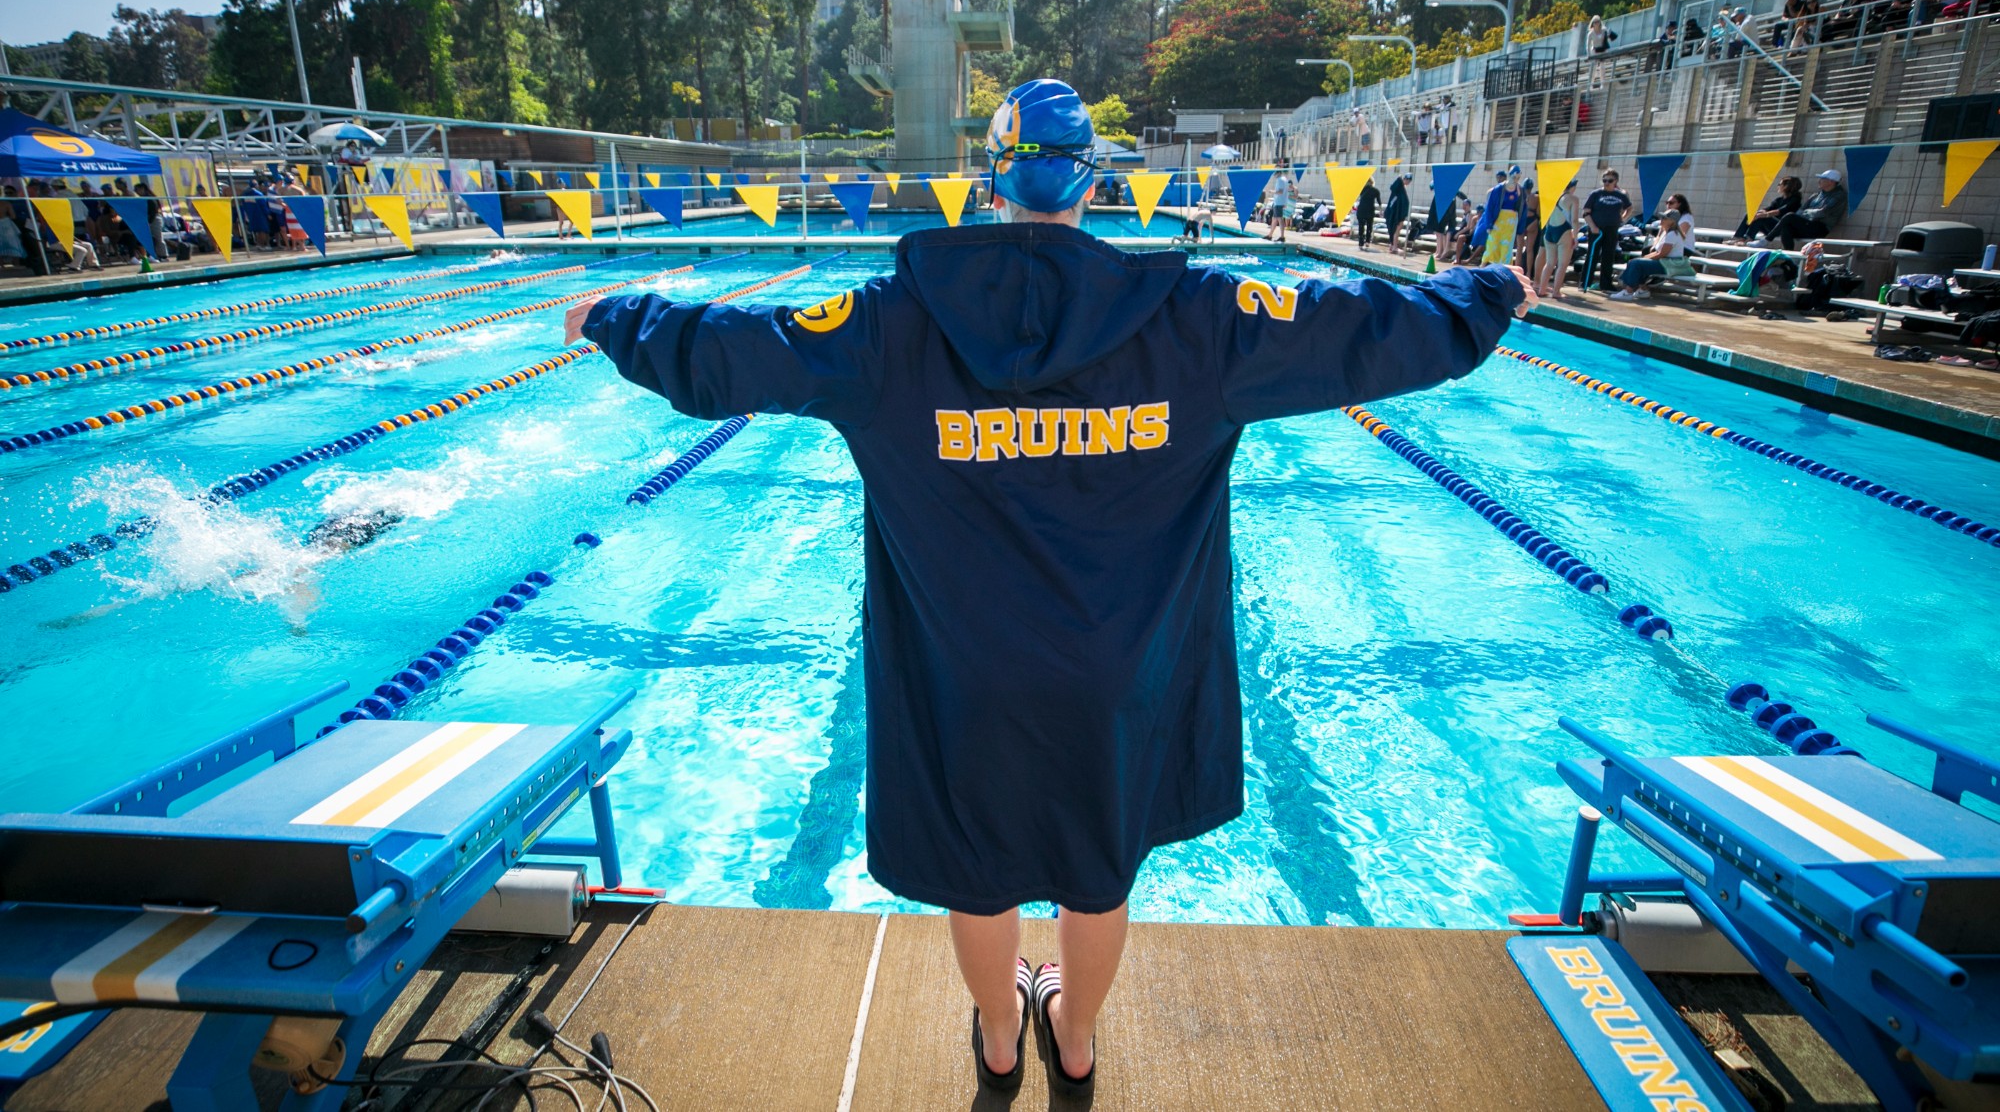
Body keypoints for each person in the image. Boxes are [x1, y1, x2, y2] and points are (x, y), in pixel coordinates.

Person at [565, 78, 1533, 1099]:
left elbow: (731, 354)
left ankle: (995, 1030)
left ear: (989, 182)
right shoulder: (1198, 319)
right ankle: (1071, 1034)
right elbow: (1363, 329)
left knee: (975, 872)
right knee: (1095, 866)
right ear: (1090, 183)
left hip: (959, 677)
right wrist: (1487, 293)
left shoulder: (886, 325)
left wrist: (614, 314)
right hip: (1121, 673)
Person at [1609, 194, 1696, 300]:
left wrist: (1644, 258)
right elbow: (1659, 250)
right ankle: (1642, 290)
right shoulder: (1667, 232)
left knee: (1637, 263)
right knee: (1636, 262)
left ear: (1672, 221)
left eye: (1664, 218)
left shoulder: (1673, 234)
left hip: (1669, 264)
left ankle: (1628, 291)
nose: (1662, 220)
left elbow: (1662, 254)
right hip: (1665, 262)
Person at [1581, 169, 1633, 294]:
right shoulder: (1596, 194)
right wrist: (1592, 226)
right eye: (1604, 180)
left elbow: (1629, 207)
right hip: (1596, 228)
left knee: (1608, 256)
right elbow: (1586, 212)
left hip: (1612, 228)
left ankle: (1606, 283)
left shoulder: (1620, 195)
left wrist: (1623, 218)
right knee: (1592, 255)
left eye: (1610, 181)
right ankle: (1585, 282)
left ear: (1615, 181)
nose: (1607, 183)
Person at [1773, 169, 1847, 250]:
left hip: (1820, 228)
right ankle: (1788, 257)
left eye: (1822, 179)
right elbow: (1800, 211)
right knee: (1786, 227)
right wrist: (1808, 213)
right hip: (1808, 224)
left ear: (1831, 182)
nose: (1819, 181)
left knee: (1790, 216)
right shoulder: (1816, 195)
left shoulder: (1839, 196)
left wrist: (1806, 212)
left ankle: (1767, 239)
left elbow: (1822, 213)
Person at [1536, 176, 1580, 299]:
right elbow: (1575, 220)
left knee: (1549, 263)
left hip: (1549, 231)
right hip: (1563, 232)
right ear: (1572, 187)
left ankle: (1542, 289)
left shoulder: (1554, 197)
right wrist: (1575, 237)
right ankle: (1556, 292)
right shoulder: (1573, 199)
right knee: (1562, 264)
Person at [1473, 167, 1523, 266]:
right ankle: (1483, 266)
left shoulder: (1519, 190)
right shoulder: (1499, 189)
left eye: (1518, 177)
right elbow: (1490, 207)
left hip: (1511, 222)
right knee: (1492, 244)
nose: (1516, 179)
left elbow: (1522, 208)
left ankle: (1503, 269)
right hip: (1498, 219)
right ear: (1510, 175)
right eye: (1514, 177)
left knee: (1506, 247)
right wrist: (1488, 224)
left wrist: (1520, 227)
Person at [1740, 176, 1804, 241]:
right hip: (1771, 228)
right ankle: (1739, 237)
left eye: (1779, 184)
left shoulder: (1795, 200)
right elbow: (1769, 208)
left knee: (1762, 218)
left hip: (1782, 229)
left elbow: (1779, 211)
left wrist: (1763, 215)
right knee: (1750, 215)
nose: (1778, 186)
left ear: (1786, 186)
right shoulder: (1779, 200)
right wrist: (1757, 213)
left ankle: (1749, 239)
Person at [1383, 170, 1412, 254]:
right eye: (1408, 181)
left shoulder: (1398, 190)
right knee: (1396, 230)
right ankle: (1394, 246)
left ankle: (1392, 245)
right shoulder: (1400, 190)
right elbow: (1398, 204)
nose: (1408, 183)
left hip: (1394, 214)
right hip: (1397, 215)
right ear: (1406, 179)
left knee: (1393, 230)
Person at [1353, 173, 1382, 249]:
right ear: (1372, 182)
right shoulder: (1375, 191)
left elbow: (1355, 199)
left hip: (1361, 210)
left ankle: (1360, 243)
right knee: (1369, 227)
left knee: (1361, 227)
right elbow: (1379, 202)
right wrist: (1380, 211)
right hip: (1370, 211)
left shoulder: (1361, 190)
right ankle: (1367, 242)